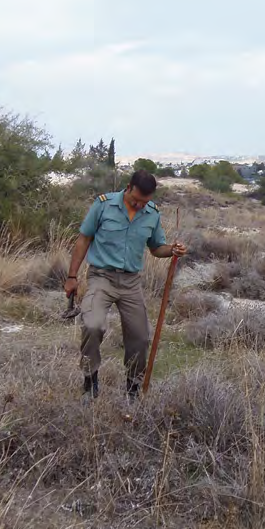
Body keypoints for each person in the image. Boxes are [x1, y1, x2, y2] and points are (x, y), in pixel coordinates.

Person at [65, 170, 187, 401]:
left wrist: (172, 249)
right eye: (136, 200)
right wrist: (72, 276)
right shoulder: (103, 205)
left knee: (140, 337)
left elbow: (156, 248)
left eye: (145, 202)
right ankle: (90, 383)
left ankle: (132, 389)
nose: (140, 205)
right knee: (92, 325)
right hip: (101, 277)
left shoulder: (152, 214)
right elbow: (83, 239)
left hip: (131, 282)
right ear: (128, 187)